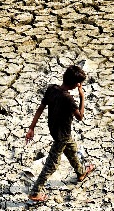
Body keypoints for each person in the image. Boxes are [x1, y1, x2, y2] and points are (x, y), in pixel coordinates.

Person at [25, 65, 95, 202]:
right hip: (61, 135)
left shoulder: (52, 89)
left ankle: (81, 172)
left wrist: (31, 128)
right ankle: (35, 192)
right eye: (79, 83)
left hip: (56, 130)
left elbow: (40, 108)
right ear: (76, 84)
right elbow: (80, 116)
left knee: (72, 149)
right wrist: (82, 97)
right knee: (51, 165)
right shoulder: (68, 99)